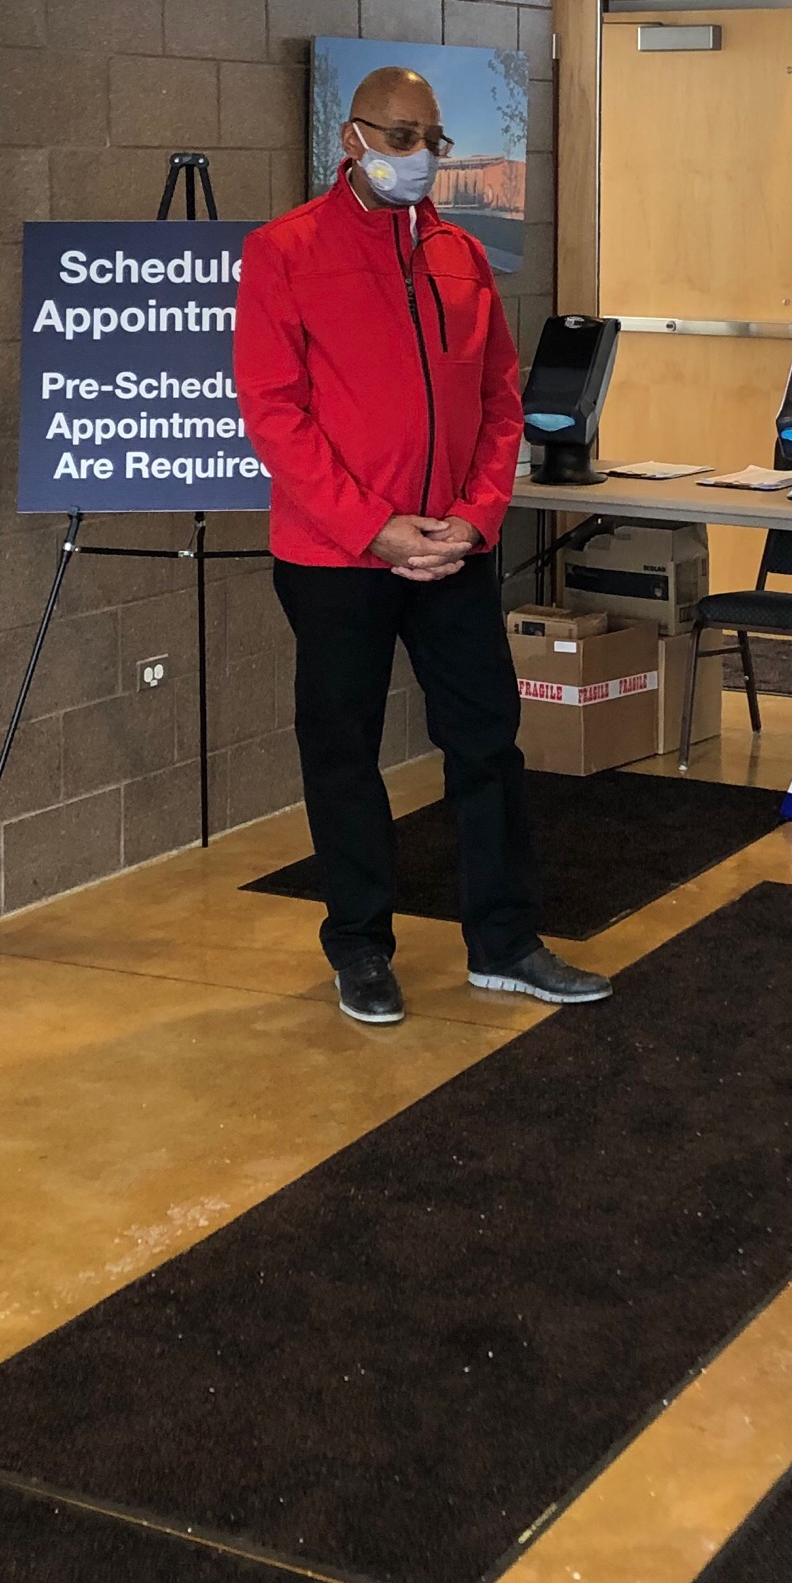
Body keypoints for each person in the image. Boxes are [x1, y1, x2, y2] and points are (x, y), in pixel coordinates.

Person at [234, 64, 612, 1026]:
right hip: (335, 560)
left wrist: (476, 518)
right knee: (344, 753)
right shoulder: (285, 253)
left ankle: (506, 943)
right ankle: (360, 948)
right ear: (351, 140)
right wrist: (375, 527)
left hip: (453, 548)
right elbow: (275, 417)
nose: (419, 159)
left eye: (431, 141)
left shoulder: (460, 256)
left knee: (486, 743)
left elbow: (499, 401)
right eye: (400, 138)